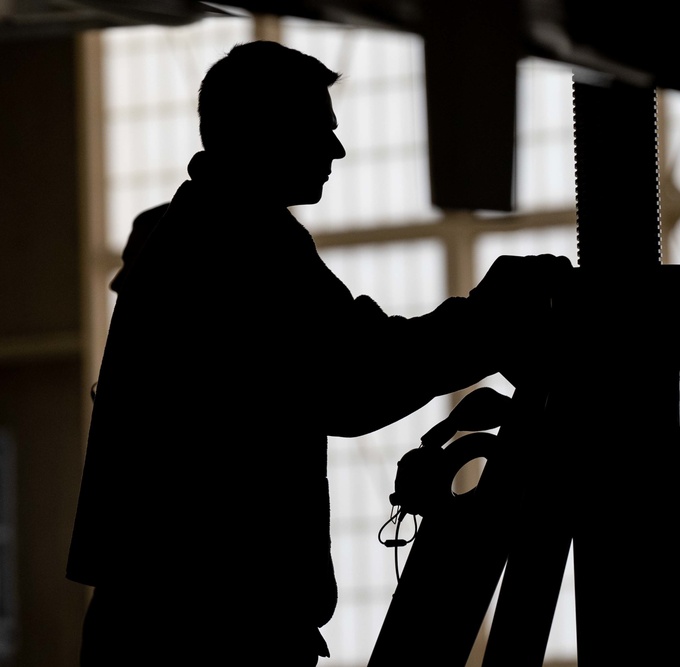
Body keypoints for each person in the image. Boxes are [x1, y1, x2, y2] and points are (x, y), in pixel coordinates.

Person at [67, 40, 571, 666]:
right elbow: (356, 377)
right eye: (319, 129)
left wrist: (488, 323)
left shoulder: (207, 231)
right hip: (208, 633)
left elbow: (349, 359)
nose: (335, 149)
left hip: (176, 619)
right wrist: (496, 318)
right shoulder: (237, 242)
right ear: (264, 130)